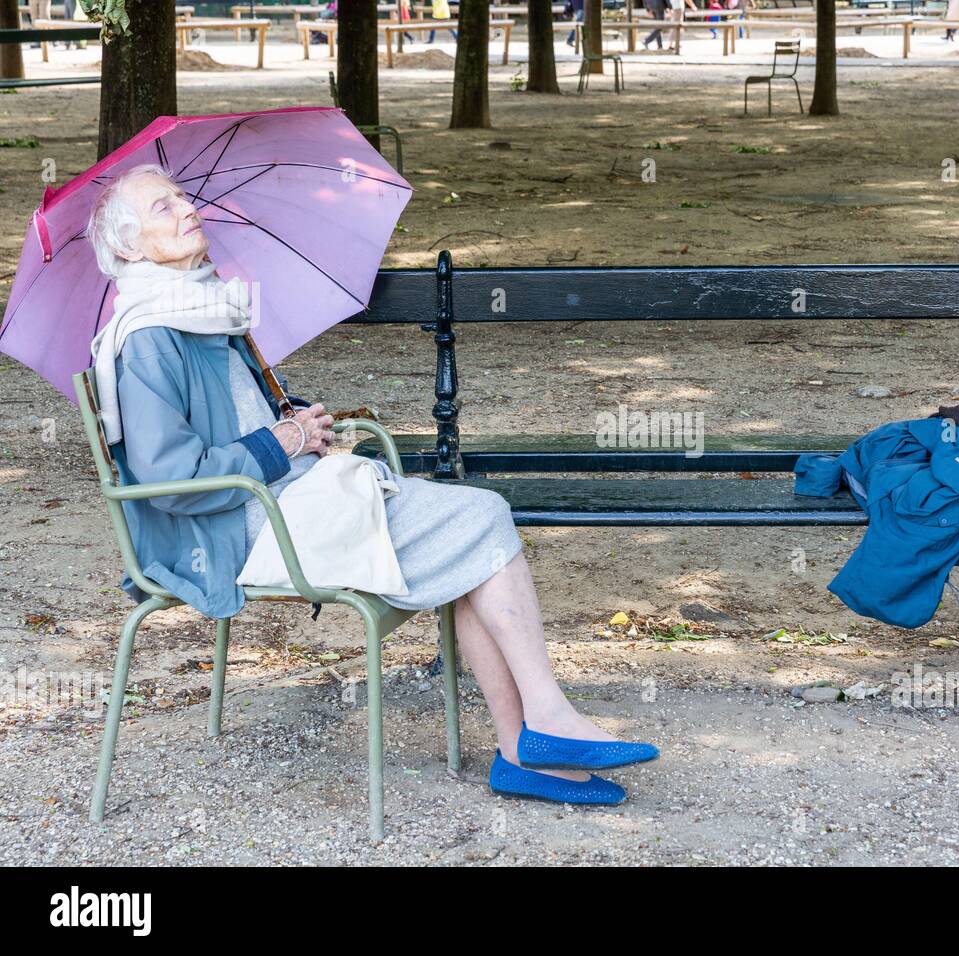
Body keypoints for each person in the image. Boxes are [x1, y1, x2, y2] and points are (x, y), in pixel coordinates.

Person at [84, 165, 660, 807]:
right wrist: (281, 445)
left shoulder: (199, 307)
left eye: (183, 196)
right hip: (238, 529)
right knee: (485, 515)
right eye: (163, 207)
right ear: (130, 248)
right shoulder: (149, 338)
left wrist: (295, 423)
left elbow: (237, 421)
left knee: (473, 533)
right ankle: (540, 727)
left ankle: (527, 749)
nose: (186, 208)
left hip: (286, 500)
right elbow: (173, 484)